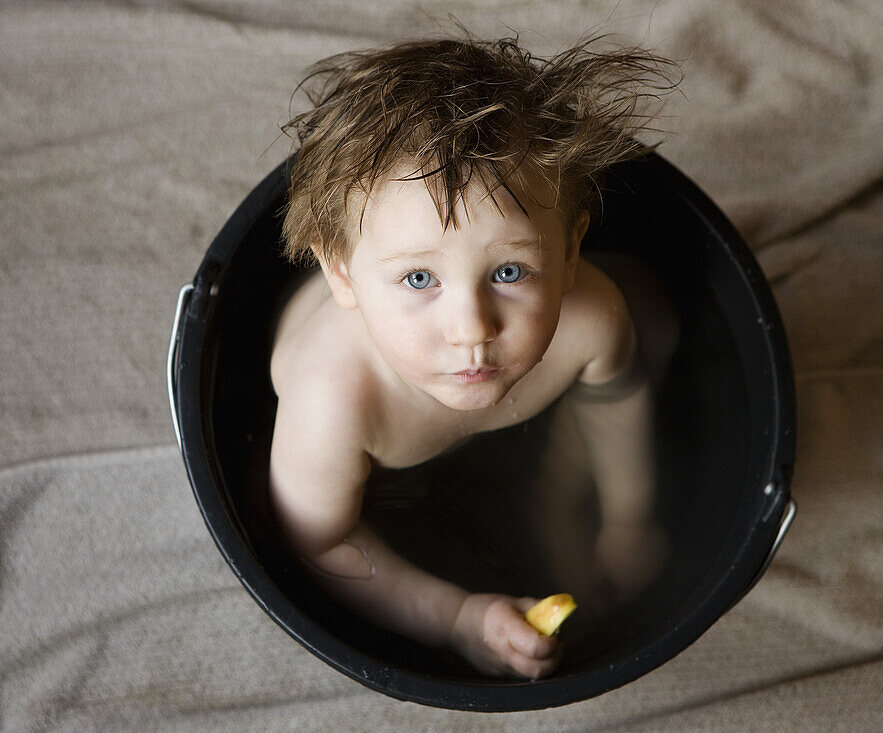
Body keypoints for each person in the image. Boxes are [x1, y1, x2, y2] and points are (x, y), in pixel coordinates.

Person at [269, 33, 677, 679]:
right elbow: (320, 541)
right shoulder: (332, 399)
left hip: (535, 416)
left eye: (510, 269)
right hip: (382, 462)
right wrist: (455, 616)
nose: (472, 329)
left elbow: (616, 404)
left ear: (570, 253)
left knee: (652, 312)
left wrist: (627, 514)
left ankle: (556, 500)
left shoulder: (590, 319)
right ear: (341, 273)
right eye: (419, 280)